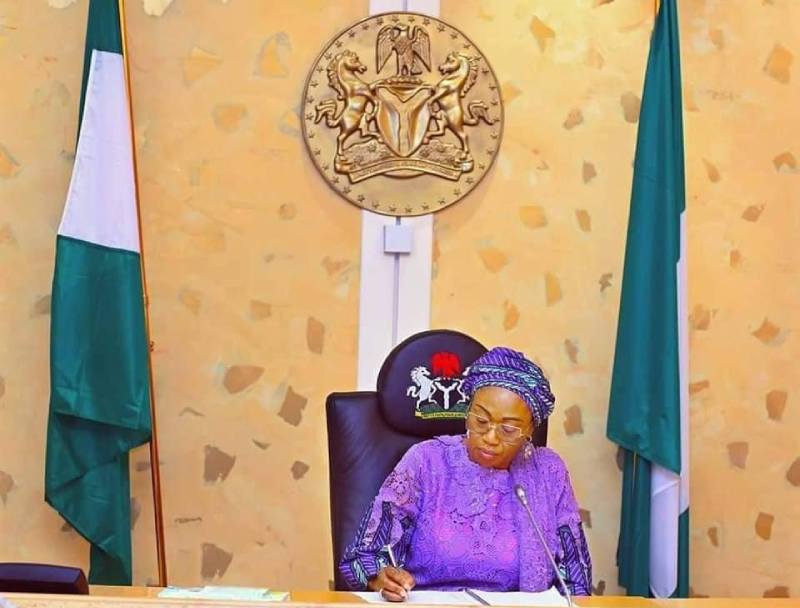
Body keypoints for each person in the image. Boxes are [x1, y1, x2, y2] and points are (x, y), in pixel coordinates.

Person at [339, 347, 592, 601]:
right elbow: (363, 557)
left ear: (530, 430)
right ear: (467, 412)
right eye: (481, 421)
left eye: (508, 429)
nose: (490, 437)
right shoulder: (426, 461)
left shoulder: (548, 472)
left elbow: (576, 580)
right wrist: (381, 577)